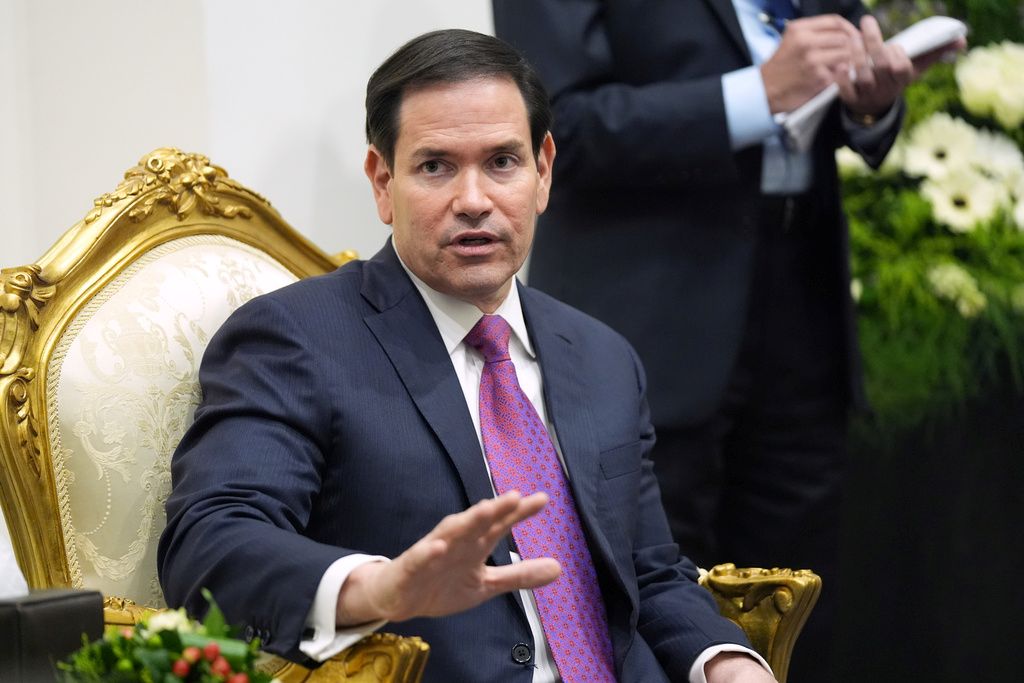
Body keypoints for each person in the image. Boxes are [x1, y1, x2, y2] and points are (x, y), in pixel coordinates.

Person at [159, 28, 780, 683]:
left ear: (543, 170)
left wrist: (727, 662)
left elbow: (649, 571)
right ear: (382, 181)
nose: (475, 200)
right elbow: (210, 543)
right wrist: (378, 588)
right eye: (436, 166)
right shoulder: (297, 339)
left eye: (502, 162)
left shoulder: (603, 356)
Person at [492, 2, 963, 679]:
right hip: (646, 321)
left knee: (799, 603)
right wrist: (759, 93)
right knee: (644, 605)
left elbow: (833, 79)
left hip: (802, 307)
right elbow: (559, 125)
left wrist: (870, 103)